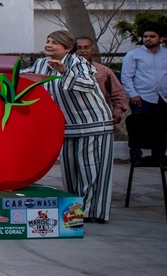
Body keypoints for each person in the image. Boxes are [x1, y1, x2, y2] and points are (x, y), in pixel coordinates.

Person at [26, 30, 114, 223]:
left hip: (93, 124)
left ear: (67, 48)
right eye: (48, 41)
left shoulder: (78, 62)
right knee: (70, 169)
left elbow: (88, 84)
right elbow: (24, 78)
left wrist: (64, 71)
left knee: (90, 169)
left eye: (54, 43)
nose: (49, 45)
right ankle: (75, 210)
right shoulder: (41, 64)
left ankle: (92, 212)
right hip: (67, 125)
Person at [121, 23, 167, 164]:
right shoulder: (133, 55)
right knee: (138, 128)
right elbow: (126, 76)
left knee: (162, 128)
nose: (148, 39)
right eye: (145, 36)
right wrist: (133, 94)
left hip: (163, 98)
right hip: (141, 98)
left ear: (161, 39)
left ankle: (159, 157)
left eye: (152, 36)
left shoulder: (166, 54)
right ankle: (136, 157)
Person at [75, 36, 128, 124]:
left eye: (86, 47)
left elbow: (118, 94)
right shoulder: (64, 70)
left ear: (93, 49)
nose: (82, 51)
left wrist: (117, 111)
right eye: (78, 48)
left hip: (100, 117)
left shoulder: (104, 71)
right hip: (72, 117)